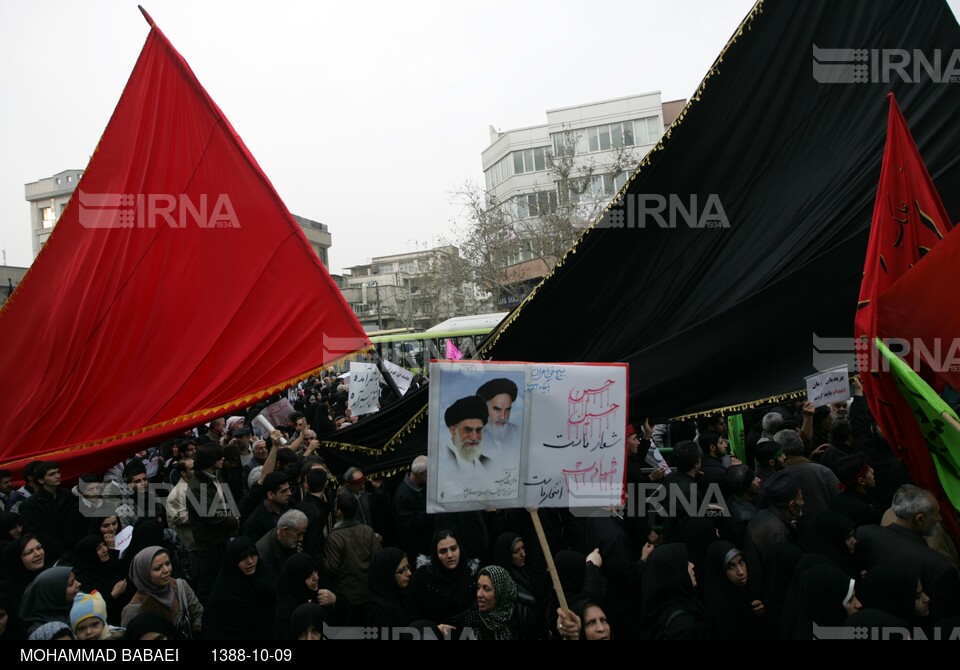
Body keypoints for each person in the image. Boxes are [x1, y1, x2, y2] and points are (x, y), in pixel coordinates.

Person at [856, 484, 960, 622]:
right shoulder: (939, 568)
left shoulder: (864, 534)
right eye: (936, 513)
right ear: (920, 519)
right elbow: (947, 621)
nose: (940, 518)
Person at [322, 491, 381, 623]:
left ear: (338, 512)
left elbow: (331, 568)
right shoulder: (368, 530)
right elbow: (377, 559)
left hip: (348, 597)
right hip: (369, 593)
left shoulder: (334, 538)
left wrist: (321, 560)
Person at [202, 537, 276, 640]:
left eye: (253, 555)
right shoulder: (222, 598)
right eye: (243, 558)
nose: (250, 561)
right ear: (233, 561)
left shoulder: (268, 578)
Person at [121, 546, 202, 639]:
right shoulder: (134, 609)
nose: (166, 570)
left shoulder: (180, 587)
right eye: (158, 568)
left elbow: (199, 614)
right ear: (144, 573)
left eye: (167, 563)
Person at [638, 544, 709, 640]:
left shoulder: (656, 611)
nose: (692, 565)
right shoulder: (684, 628)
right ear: (673, 571)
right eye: (685, 563)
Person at [409, 530, 479, 625]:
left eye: (454, 549)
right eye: (443, 551)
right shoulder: (422, 578)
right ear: (435, 553)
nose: (450, 555)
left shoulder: (472, 574)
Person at [701, 541, 764, 639]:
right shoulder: (721, 610)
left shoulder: (742, 591)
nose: (741, 571)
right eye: (730, 567)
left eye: (741, 562)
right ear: (720, 571)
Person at [69, 535, 129, 625]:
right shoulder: (82, 580)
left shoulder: (111, 565)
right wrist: (114, 595)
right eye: (98, 548)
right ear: (88, 554)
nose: (105, 549)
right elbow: (90, 610)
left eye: (104, 545)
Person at [457, 564, 518, 640]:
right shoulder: (470, 621)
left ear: (501, 592)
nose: (479, 594)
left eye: (486, 589)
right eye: (478, 587)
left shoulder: (518, 617)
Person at [19, 566, 81, 636]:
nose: (78, 584)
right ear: (53, 593)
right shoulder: (41, 633)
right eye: (71, 583)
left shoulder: (77, 610)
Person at [365, 547, 418, 628]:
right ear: (387, 575)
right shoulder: (379, 613)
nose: (409, 573)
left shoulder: (403, 595)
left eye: (408, 567)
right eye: (402, 570)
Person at [394, 456, 431, 559]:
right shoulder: (402, 496)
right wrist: (432, 511)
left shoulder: (421, 485)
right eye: (428, 473)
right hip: (418, 550)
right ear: (420, 474)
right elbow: (412, 523)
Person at [476, 378, 522, 461]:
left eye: (507, 410)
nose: (503, 417)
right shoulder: (472, 438)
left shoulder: (519, 433)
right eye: (497, 409)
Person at [442, 395, 492, 471]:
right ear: (453, 430)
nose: (474, 438)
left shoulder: (489, 463)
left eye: (479, 430)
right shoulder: (443, 462)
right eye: (468, 430)